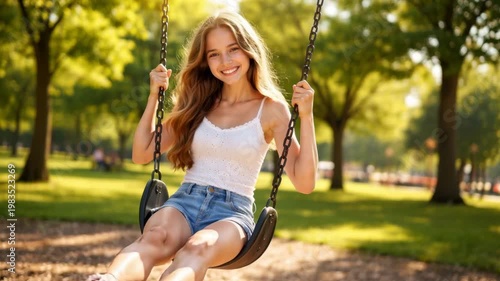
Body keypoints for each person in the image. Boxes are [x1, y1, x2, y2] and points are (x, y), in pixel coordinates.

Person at [88, 11, 318, 281]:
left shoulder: (272, 110)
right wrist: (153, 97)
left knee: (199, 247)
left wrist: (307, 116)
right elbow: (141, 153)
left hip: (232, 214)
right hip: (185, 201)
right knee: (155, 237)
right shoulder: (198, 102)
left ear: (249, 50)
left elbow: (305, 183)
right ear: (205, 60)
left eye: (233, 50)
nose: (225, 61)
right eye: (214, 54)